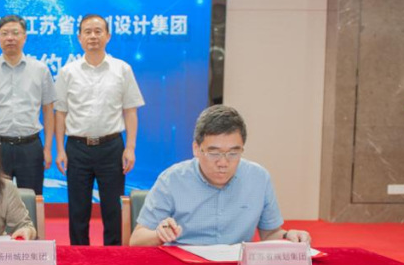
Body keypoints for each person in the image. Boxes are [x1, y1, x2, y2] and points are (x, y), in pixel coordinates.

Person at [130, 105, 312, 246]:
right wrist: (159, 235)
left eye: (233, 153)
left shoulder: (259, 178)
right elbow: (136, 240)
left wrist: (288, 236)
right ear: (196, 148)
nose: (223, 162)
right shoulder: (172, 180)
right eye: (214, 153)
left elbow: (270, 234)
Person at [54, 14, 144, 246]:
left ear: (108, 36)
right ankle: (79, 256)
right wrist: (60, 150)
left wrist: (130, 148)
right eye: (87, 32)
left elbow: (130, 111)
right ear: (79, 37)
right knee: (78, 209)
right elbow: (60, 113)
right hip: (77, 148)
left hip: (112, 147)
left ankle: (112, 257)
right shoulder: (68, 72)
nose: (93, 36)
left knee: (112, 209)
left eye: (98, 31)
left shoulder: (122, 69)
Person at [0, 14, 55, 195]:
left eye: (15, 33)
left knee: (31, 199)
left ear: (24, 37)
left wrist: (48, 148)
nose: (10, 38)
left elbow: (48, 110)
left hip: (30, 146)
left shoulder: (40, 70)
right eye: (5, 33)